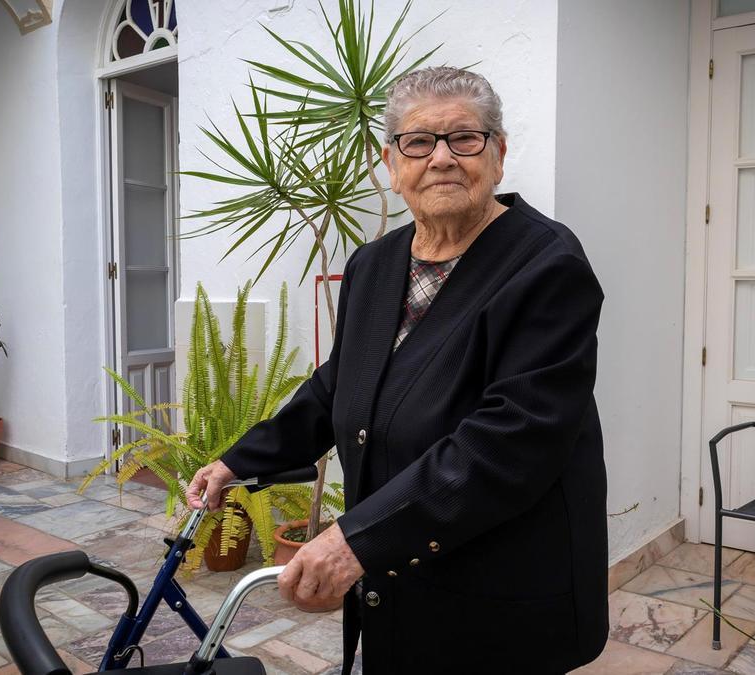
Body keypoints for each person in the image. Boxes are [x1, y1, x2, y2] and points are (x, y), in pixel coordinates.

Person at [186, 66, 608, 674]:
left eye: (464, 138)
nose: (441, 158)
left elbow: (512, 440)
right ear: (391, 161)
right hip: (398, 576)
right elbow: (341, 383)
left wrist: (357, 540)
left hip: (500, 582)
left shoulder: (547, 265)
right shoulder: (375, 264)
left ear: (499, 153)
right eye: (418, 142)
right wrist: (241, 460)